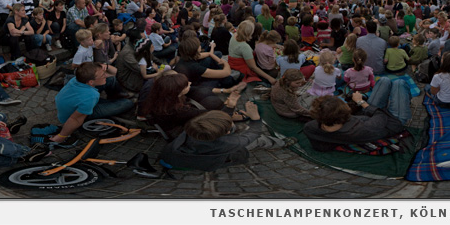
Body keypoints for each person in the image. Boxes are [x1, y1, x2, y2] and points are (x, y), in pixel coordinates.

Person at [160, 103, 294, 171]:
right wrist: (256, 119)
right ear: (226, 134)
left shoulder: (194, 127)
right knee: (259, 140)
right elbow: (252, 135)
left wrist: (229, 108)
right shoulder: (226, 143)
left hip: (174, 154)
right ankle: (282, 143)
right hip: (196, 161)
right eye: (229, 127)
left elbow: (213, 121)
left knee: (237, 129)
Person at [48, 62, 135, 144]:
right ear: (91, 82)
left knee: (111, 79)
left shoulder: (77, 79)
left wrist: (104, 67)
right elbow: (75, 119)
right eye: (102, 75)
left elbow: (113, 74)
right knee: (128, 103)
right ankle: (114, 103)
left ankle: (114, 100)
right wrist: (62, 136)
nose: (105, 75)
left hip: (78, 102)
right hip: (76, 113)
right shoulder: (90, 96)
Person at [140, 72, 243, 135]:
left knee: (206, 96)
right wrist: (230, 107)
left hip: (177, 120)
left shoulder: (161, 96)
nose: (190, 83)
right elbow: (212, 116)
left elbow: (196, 90)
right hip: (182, 131)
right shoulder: (179, 111)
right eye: (186, 85)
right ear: (178, 92)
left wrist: (224, 91)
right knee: (223, 123)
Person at [303, 91, 408, 152]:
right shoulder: (363, 128)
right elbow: (381, 115)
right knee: (399, 84)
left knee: (385, 81)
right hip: (392, 122)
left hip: (367, 116)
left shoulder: (310, 128)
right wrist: (360, 101)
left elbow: (321, 147)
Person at [228, 20, 276, 85]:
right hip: (240, 68)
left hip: (232, 62)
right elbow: (253, 67)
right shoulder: (245, 47)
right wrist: (269, 78)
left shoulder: (234, 35)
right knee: (273, 73)